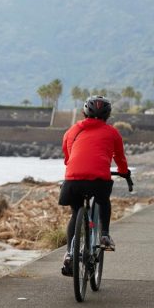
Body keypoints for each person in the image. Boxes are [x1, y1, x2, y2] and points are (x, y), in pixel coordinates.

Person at [59, 95, 130, 276]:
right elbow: (119, 157)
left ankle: (69, 254)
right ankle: (104, 235)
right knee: (103, 200)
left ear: (84, 112)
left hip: (73, 180)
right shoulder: (112, 132)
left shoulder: (72, 131)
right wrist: (124, 171)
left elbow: (67, 157)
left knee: (76, 213)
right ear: (108, 115)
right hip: (98, 180)